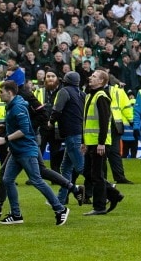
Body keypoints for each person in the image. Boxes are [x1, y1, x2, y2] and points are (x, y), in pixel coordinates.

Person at [0, 80, 70, 226]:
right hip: (18, 151)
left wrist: (5, 139)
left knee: (36, 180)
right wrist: (5, 127)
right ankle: (16, 215)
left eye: (1, 92)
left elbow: (24, 130)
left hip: (25, 150)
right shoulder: (12, 105)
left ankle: (60, 209)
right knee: (7, 179)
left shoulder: (17, 107)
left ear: (9, 93)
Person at [82, 70, 124, 216]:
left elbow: (105, 121)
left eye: (93, 76)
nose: (90, 78)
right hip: (91, 142)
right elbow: (86, 122)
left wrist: (101, 143)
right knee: (89, 172)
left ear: (101, 81)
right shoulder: (90, 96)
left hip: (98, 143)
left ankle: (99, 207)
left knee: (96, 175)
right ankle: (114, 194)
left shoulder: (101, 96)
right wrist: (84, 141)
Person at [50, 71, 84, 205]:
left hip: (71, 134)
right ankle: (61, 199)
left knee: (81, 168)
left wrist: (50, 122)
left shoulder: (63, 92)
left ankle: (108, 190)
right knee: (65, 167)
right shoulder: (82, 94)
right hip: (79, 133)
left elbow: (57, 110)